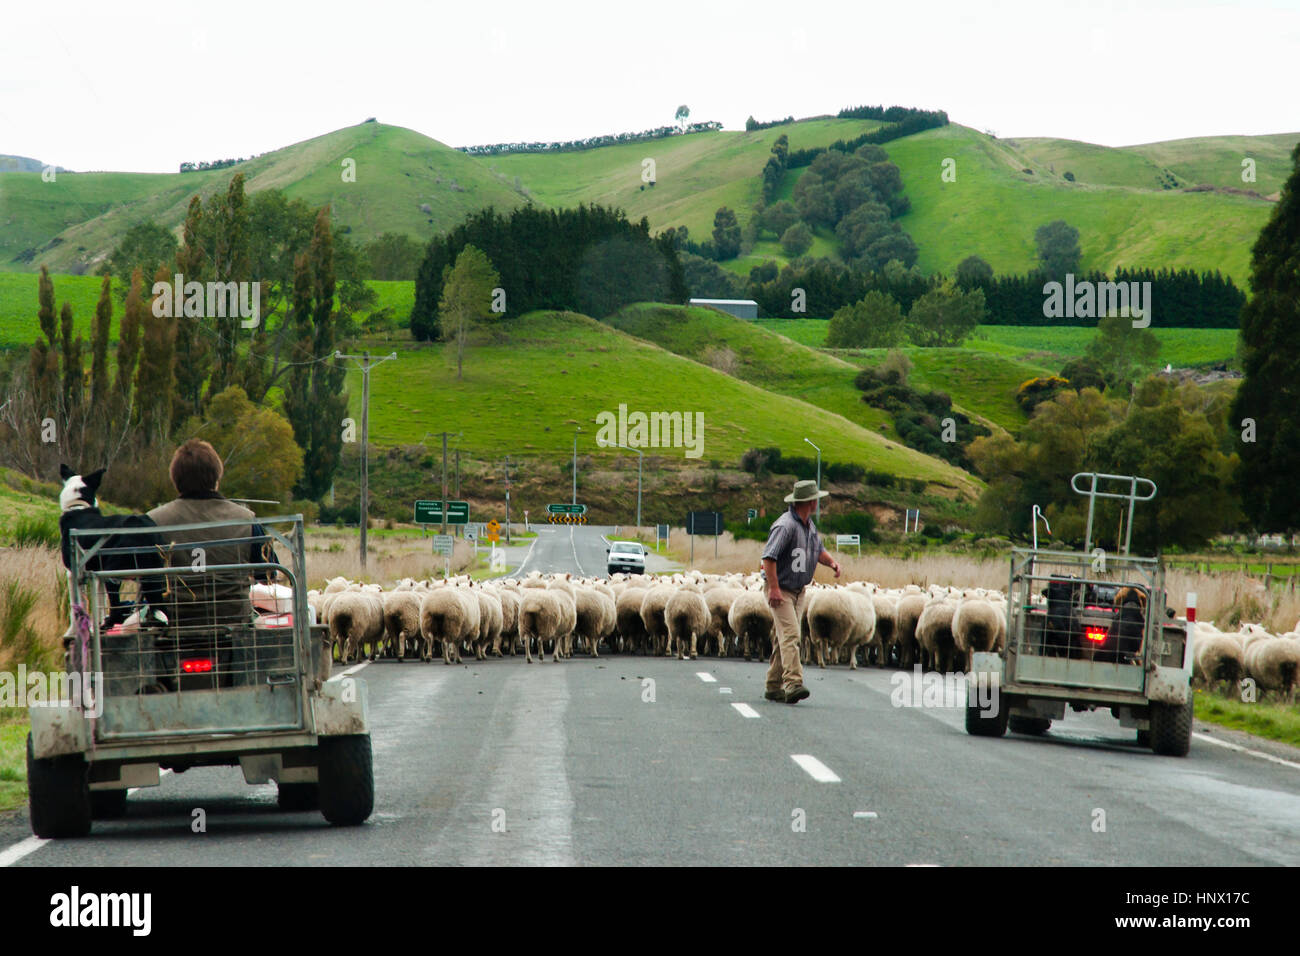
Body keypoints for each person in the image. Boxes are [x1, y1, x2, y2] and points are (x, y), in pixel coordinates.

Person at [147, 439, 270, 630]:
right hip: (235, 622)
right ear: (217, 476)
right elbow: (269, 573)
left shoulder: (153, 521)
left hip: (173, 625)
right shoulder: (246, 520)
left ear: (175, 479)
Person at [761, 479, 840, 704]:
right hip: (781, 589)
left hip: (798, 590)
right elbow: (768, 557)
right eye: (816, 499)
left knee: (783, 637)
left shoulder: (809, 526)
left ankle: (773, 686)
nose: (818, 503)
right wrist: (774, 588)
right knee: (792, 635)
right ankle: (793, 683)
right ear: (808, 502)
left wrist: (832, 563)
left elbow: (818, 550)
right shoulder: (785, 525)